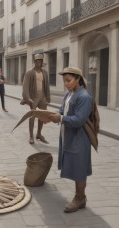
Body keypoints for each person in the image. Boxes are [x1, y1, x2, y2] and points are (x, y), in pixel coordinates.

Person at [48, 66, 92, 213]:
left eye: (69, 80)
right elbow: (63, 110)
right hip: (68, 136)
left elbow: (79, 120)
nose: (66, 84)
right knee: (74, 165)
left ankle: (79, 198)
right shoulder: (69, 95)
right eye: (64, 81)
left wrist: (60, 118)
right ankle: (82, 197)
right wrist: (54, 115)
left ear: (78, 79)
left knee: (79, 168)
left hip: (79, 138)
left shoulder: (84, 97)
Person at [21, 53, 51, 144]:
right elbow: (25, 85)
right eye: (37, 61)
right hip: (33, 97)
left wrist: (48, 97)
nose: (39, 62)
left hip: (42, 96)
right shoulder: (30, 72)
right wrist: (27, 98)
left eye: (40, 61)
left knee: (42, 115)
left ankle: (39, 134)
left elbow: (47, 85)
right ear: (34, 62)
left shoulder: (44, 72)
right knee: (32, 115)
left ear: (42, 62)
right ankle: (31, 136)